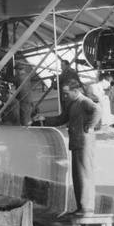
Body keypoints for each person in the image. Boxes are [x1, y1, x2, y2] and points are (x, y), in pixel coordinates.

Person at [40, 79, 101, 216]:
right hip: (76, 142)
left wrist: (89, 126)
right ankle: (81, 207)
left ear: (75, 91)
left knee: (84, 174)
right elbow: (60, 119)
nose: (64, 97)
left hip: (84, 142)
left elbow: (97, 110)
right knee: (77, 176)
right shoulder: (72, 104)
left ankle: (86, 208)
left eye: (66, 93)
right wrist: (43, 120)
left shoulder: (83, 101)